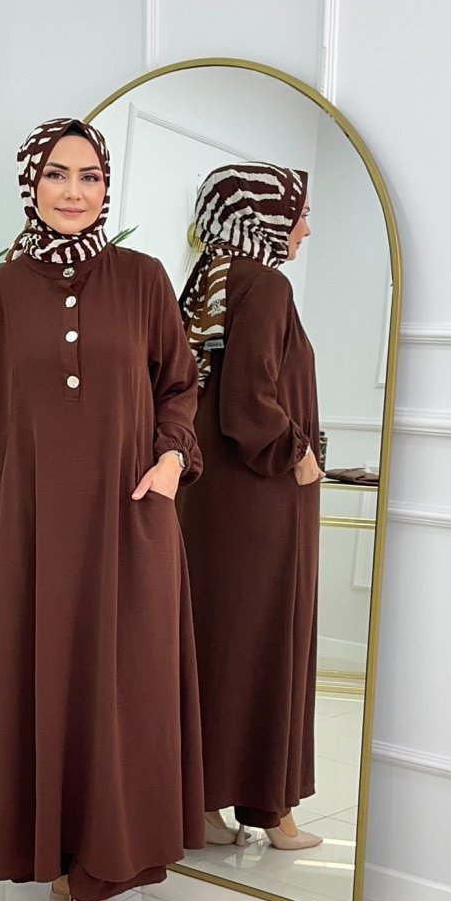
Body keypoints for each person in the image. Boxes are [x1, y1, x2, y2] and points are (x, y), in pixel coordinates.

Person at [0, 117, 205, 901]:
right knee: (44, 690)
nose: (75, 191)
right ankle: (56, 855)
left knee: (118, 695)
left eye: (90, 176)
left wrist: (172, 458)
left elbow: (181, 383)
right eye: (58, 174)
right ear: (32, 183)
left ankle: (96, 881)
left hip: (130, 525)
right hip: (27, 534)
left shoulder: (143, 279)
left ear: (106, 187)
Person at [176, 162, 324, 852]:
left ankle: (205, 805)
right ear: (262, 217)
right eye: (298, 213)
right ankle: (272, 810)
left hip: (209, 502)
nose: (305, 229)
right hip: (260, 500)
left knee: (219, 645)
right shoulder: (265, 284)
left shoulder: (208, 279)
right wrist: (299, 452)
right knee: (264, 645)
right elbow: (248, 404)